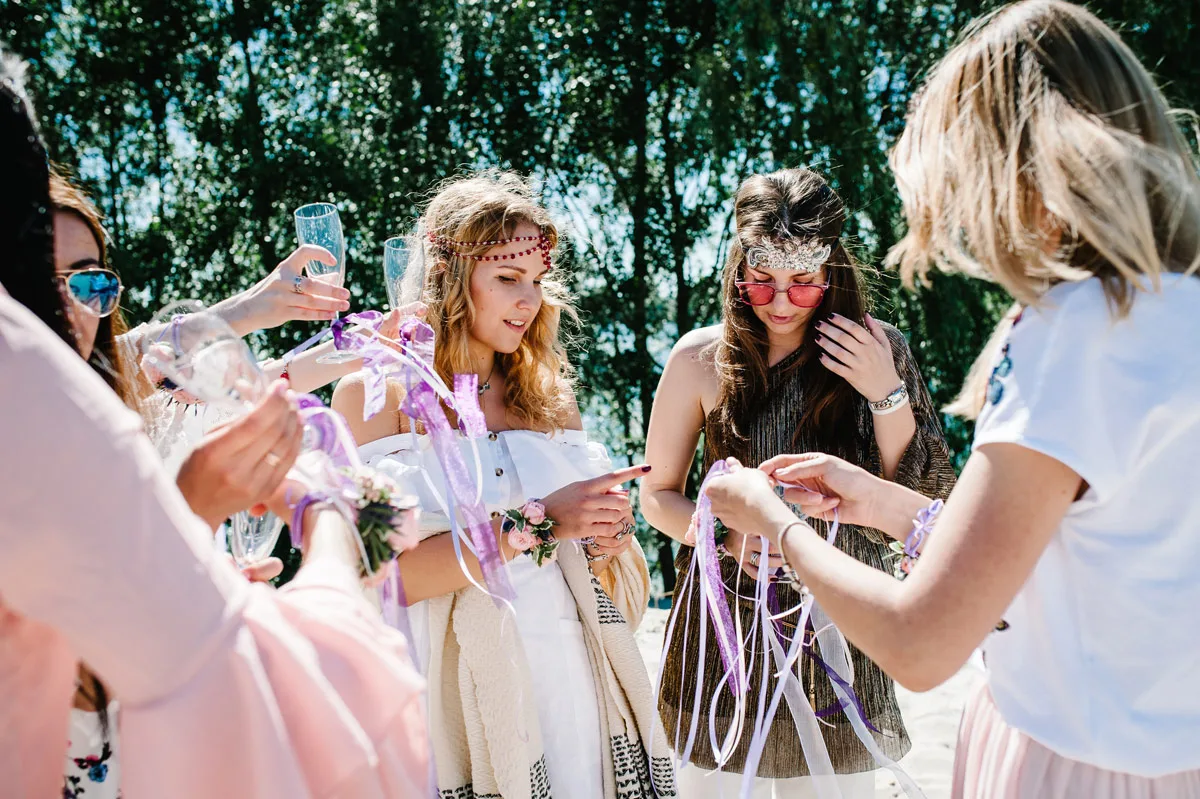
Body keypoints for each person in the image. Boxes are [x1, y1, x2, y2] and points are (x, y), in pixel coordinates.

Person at [703, 2, 1200, 797]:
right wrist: (882, 503)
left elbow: (922, 642)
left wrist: (774, 521)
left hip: (1072, 756)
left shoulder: (1079, 330)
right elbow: (1083, 548)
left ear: (1010, 170)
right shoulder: (1175, 308)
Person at [0, 45, 429, 798]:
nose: (69, 306)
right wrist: (333, 517)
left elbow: (192, 366)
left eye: (94, 283)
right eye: (42, 273)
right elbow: (277, 686)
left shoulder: (81, 394)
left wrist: (287, 321)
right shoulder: (31, 396)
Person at [333, 171, 675, 798]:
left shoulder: (551, 397)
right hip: (444, 693)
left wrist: (604, 538)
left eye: (538, 281)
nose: (530, 300)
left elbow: (586, 564)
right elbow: (384, 577)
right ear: (449, 276)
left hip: (570, 678)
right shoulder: (376, 398)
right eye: (509, 278)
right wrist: (541, 521)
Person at [640, 166, 954, 797]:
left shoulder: (878, 348)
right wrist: (724, 537)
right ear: (738, 269)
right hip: (724, 626)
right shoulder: (699, 358)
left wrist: (885, 392)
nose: (781, 303)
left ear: (831, 273)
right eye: (762, 282)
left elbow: (923, 496)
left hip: (844, 616)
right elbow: (655, 495)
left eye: (803, 284)